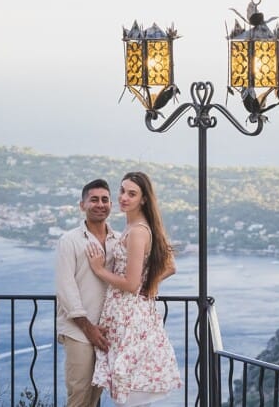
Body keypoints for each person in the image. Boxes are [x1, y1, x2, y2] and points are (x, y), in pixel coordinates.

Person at [86, 171, 182, 406]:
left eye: (132, 194)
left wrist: (100, 270)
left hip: (130, 319)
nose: (123, 198)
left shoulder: (138, 231)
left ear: (144, 199)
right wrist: (151, 284)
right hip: (129, 314)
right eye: (122, 191)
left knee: (129, 389)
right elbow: (170, 267)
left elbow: (130, 283)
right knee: (131, 388)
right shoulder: (136, 227)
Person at [56, 178, 117, 407]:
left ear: (111, 204)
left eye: (104, 199)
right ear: (82, 205)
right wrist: (87, 327)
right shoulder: (69, 241)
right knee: (79, 394)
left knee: (94, 396)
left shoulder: (119, 241)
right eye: (94, 200)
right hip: (78, 330)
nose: (100, 204)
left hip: (105, 331)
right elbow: (66, 287)